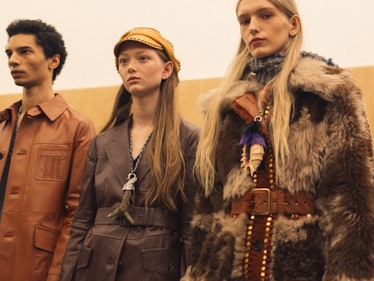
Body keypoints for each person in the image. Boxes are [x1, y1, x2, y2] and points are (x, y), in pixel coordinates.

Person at [182, 0, 374, 280]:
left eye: (266, 15)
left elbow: (352, 203)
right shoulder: (224, 107)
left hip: (301, 265)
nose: (253, 27)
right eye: (244, 21)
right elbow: (206, 209)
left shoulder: (329, 94)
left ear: (293, 25)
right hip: (226, 269)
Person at [59, 27, 200, 281]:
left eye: (142, 58)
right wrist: (67, 274)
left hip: (154, 266)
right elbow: (82, 220)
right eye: (124, 61)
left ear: (166, 69)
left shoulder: (189, 138)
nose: (130, 67)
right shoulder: (101, 142)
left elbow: (191, 225)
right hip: (95, 264)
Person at [0, 19, 96, 281]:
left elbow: (78, 212)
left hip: (36, 267)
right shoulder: (2, 124)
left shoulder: (78, 127)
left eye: (24, 51)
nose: (12, 60)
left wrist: (58, 275)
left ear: (53, 61)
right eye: (9, 53)